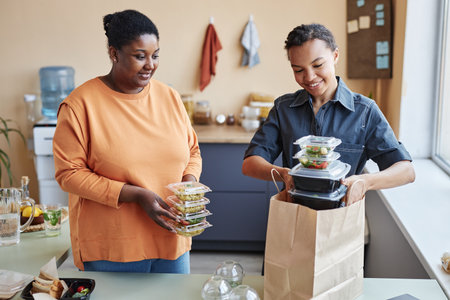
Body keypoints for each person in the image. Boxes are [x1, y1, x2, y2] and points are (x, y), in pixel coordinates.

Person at [53, 9, 202, 273]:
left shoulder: (170, 97)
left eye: (155, 56)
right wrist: (135, 195)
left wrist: (188, 185)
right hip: (112, 247)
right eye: (139, 56)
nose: (150, 65)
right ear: (114, 54)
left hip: (171, 239)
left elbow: (192, 150)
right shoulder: (80, 105)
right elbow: (69, 175)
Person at [242, 23, 415, 204]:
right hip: (294, 216)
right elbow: (250, 164)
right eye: (298, 70)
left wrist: (364, 182)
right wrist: (285, 174)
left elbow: (406, 171)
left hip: (341, 220)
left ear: (335, 56)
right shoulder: (283, 108)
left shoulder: (365, 111)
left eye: (318, 65)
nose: (309, 77)